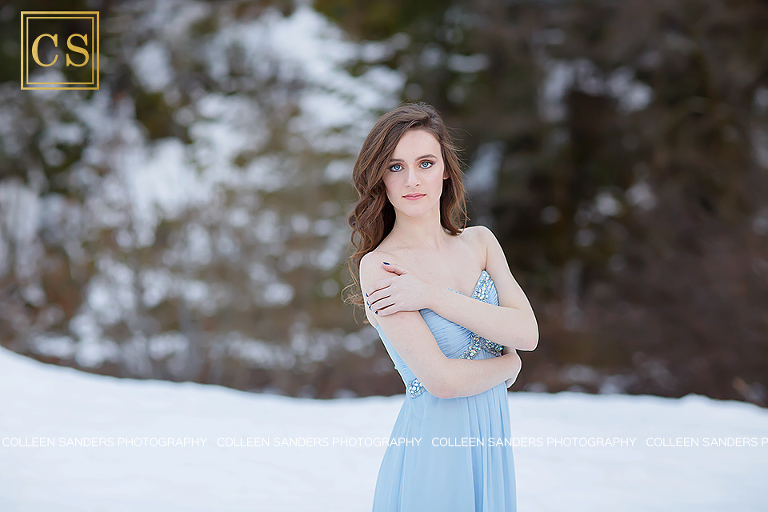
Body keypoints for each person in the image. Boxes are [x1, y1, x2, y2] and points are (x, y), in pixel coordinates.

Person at [344, 102, 539, 512]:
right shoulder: (380, 266)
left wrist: (432, 296)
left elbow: (527, 333)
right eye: (395, 167)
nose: (412, 180)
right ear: (380, 177)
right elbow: (443, 382)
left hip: (491, 443)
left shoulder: (481, 242)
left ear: (446, 169)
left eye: (425, 163)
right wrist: (510, 367)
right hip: (435, 451)